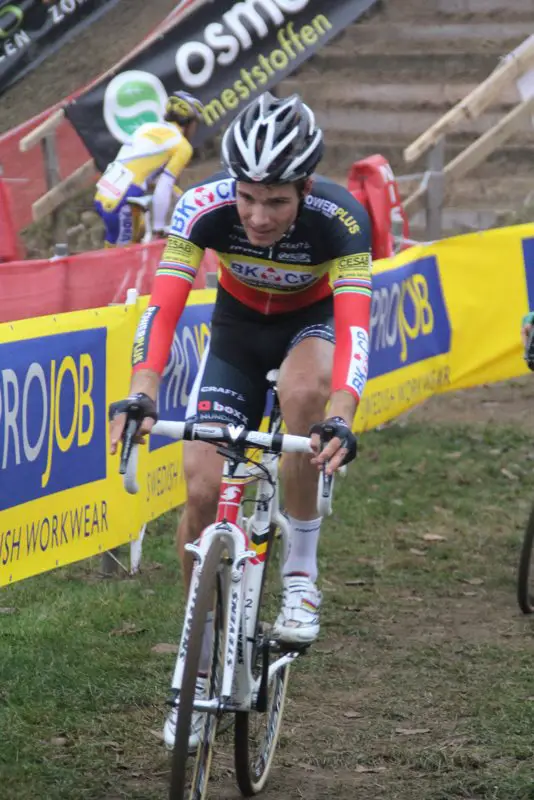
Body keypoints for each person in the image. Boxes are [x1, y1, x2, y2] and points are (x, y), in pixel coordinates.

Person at [109, 91, 372, 748]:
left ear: (304, 188)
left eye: (276, 201)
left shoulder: (339, 218)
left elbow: (356, 327)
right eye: (247, 196)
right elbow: (161, 312)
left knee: (307, 396)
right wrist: (143, 392)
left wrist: (342, 416)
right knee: (199, 492)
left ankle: (301, 574)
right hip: (232, 335)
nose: (256, 216)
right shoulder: (202, 208)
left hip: (305, 327)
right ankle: (196, 667)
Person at [94, 90, 204, 246]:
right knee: (124, 261)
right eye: (195, 123)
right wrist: (159, 228)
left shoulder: (146, 128)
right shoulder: (182, 146)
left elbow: (141, 170)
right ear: (188, 121)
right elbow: (164, 185)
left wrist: (181, 196)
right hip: (124, 200)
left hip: (103, 192)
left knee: (122, 244)